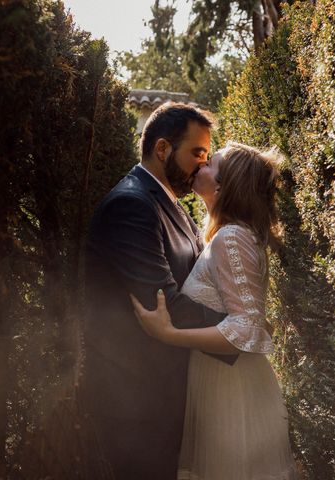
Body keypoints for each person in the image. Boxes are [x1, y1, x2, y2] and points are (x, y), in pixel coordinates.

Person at [82, 102, 237, 480]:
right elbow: (162, 302)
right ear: (163, 149)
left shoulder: (172, 205)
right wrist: (235, 334)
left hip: (170, 393)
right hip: (137, 401)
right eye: (196, 153)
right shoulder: (130, 206)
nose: (202, 164)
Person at [131, 142, 298, 480]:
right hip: (222, 378)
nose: (201, 164)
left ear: (223, 186)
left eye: (211, 163)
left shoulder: (231, 238)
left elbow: (246, 329)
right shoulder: (224, 236)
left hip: (231, 387)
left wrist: (168, 334)